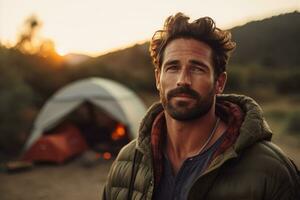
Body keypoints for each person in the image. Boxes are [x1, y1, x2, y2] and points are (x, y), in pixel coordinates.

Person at [102, 13, 300, 200]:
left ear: (219, 83)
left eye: (197, 69)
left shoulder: (271, 171)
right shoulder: (127, 162)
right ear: (158, 78)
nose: (183, 80)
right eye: (173, 68)